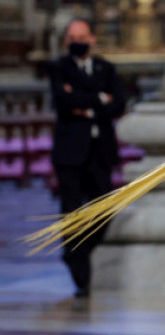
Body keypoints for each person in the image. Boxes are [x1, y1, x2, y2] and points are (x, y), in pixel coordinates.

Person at [48, 19, 125, 297]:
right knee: (71, 211)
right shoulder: (58, 67)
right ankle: (79, 271)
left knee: (104, 208)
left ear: (92, 38)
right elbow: (63, 102)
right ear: (66, 40)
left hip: (99, 150)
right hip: (69, 152)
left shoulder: (106, 68)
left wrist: (85, 103)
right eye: (71, 37)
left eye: (81, 36)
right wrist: (98, 99)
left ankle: (78, 252)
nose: (76, 41)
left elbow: (119, 103)